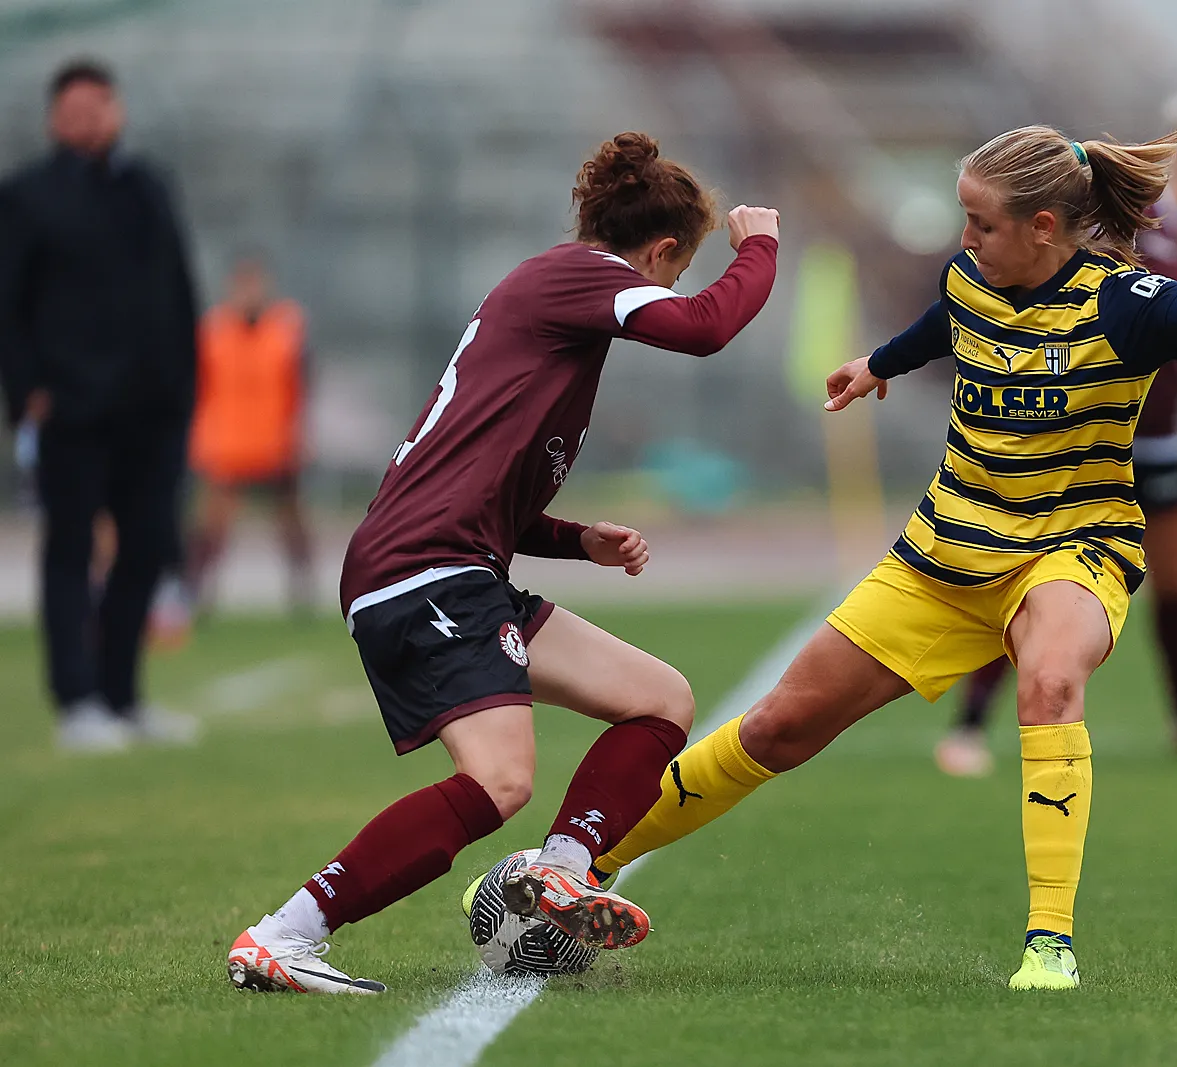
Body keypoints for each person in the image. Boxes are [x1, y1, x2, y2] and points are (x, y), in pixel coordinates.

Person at [550, 125, 1177, 992]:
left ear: (1044, 227)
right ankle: (583, 868)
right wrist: (877, 364)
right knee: (778, 727)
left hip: (1072, 547)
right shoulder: (968, 280)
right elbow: (940, 327)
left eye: (982, 223)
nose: (965, 238)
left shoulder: (1124, 301)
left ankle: (1050, 943)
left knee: (1050, 681)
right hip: (943, 553)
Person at [226, 133, 781, 995]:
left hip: (453, 564)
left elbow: (488, 496)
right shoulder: (581, 275)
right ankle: (284, 933)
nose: (669, 288)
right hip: (425, 568)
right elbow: (704, 328)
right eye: (675, 271)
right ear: (660, 252)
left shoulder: (554, 302)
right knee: (500, 779)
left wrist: (577, 540)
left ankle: (559, 870)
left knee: (659, 699)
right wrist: (760, 248)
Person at [934, 95, 1177, 777]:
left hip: (1162, 439)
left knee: (1175, 588)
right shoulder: (1130, 225)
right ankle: (970, 727)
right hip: (1084, 440)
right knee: (1026, 583)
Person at [0, 59, 200, 753]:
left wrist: (186, 385)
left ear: (118, 110)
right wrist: (27, 390)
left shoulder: (148, 186)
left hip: (153, 406)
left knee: (145, 547)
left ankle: (122, 695)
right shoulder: (28, 195)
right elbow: (8, 304)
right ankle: (77, 699)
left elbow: (178, 288)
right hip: (72, 408)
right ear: (55, 118)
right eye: (75, 108)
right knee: (71, 548)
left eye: (101, 104)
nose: (90, 119)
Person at [185, 253, 314, 616]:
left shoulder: (286, 329)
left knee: (291, 523)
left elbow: (300, 386)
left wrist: (299, 433)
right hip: (227, 444)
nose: (250, 293)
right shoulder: (214, 332)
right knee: (211, 528)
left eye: (255, 284)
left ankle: (303, 594)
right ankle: (195, 596)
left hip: (275, 443)